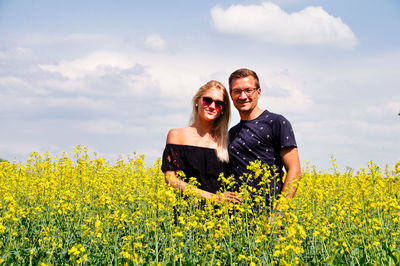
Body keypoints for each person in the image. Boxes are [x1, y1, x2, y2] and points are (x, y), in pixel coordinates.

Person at [227, 68, 301, 214]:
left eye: (248, 90)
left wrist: (278, 213)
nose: (243, 96)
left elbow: (295, 170)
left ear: (258, 92)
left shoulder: (277, 122)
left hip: (269, 215)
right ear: (231, 95)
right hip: (238, 218)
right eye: (237, 91)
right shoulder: (232, 132)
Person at [161, 80, 240, 204]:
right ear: (197, 101)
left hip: (221, 217)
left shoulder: (228, 140)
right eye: (207, 100)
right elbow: (171, 179)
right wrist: (213, 198)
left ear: (223, 109)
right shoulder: (177, 135)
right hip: (187, 215)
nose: (212, 106)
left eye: (219, 103)